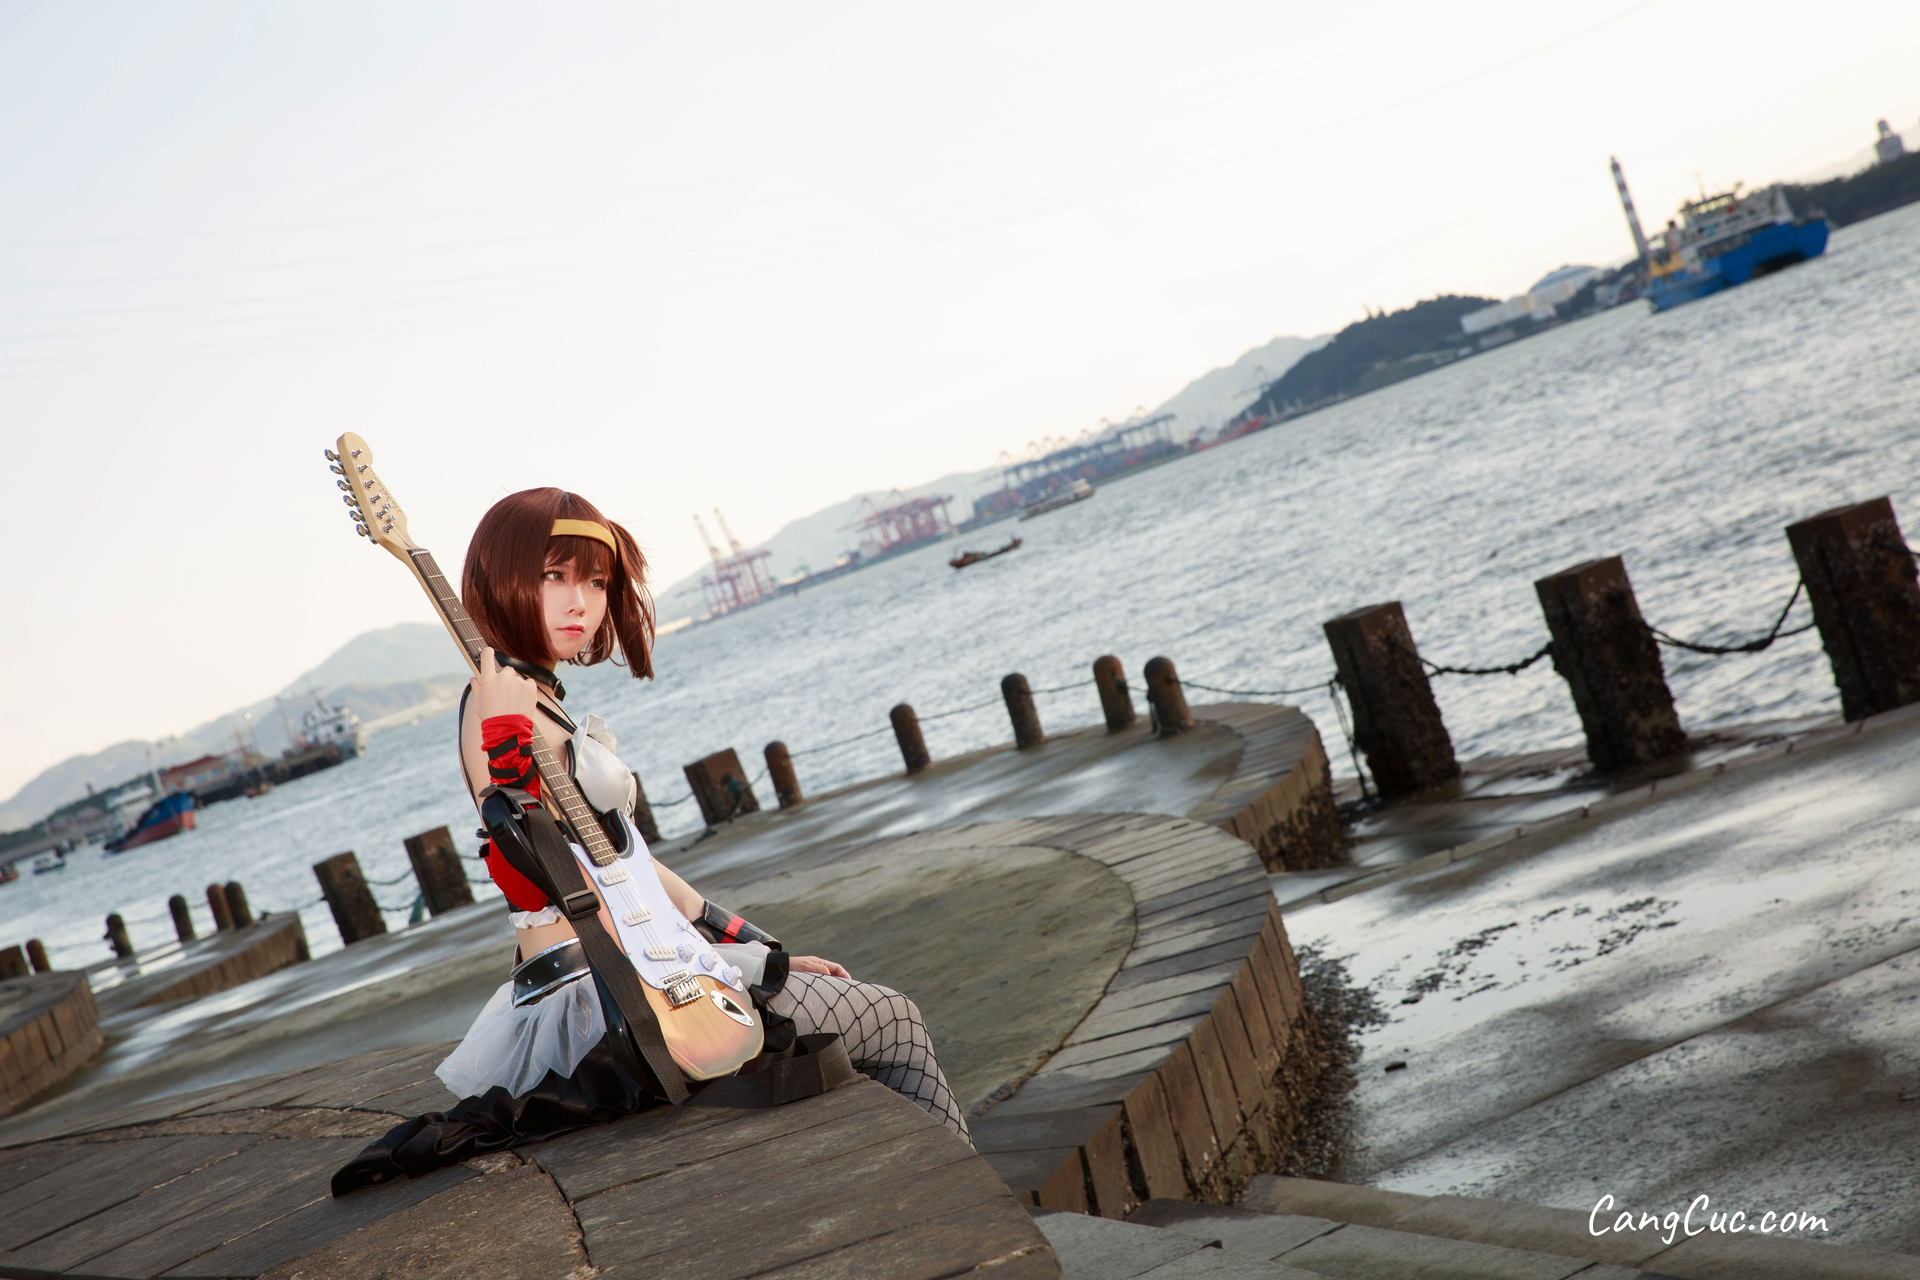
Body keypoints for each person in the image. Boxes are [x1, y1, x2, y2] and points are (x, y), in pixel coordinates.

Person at [333, 488, 966, 1195]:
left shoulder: (541, 703)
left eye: (596, 582)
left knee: (857, 1021)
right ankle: (964, 1196)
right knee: (894, 1020)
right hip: (603, 995)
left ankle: (938, 1192)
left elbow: (626, 861)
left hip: (655, 963)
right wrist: (506, 748)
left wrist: (749, 942)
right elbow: (528, 865)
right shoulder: (495, 702)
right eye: (554, 576)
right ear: (502, 579)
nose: (580, 602)